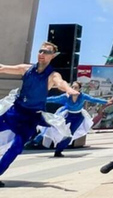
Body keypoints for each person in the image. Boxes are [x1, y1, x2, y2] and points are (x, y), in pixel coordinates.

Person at [0, 42, 81, 187]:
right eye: (40, 51)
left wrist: (68, 89)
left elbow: (60, 82)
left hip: (31, 118)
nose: (42, 54)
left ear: (53, 56)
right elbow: (4, 68)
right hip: (15, 111)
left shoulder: (52, 75)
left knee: (17, 147)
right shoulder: (26, 69)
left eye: (46, 52)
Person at [38, 81, 113, 157]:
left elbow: (93, 99)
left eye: (76, 87)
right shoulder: (66, 96)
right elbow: (53, 99)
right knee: (55, 127)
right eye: (73, 87)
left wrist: (106, 101)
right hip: (67, 115)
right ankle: (37, 139)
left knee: (70, 135)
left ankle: (59, 150)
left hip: (78, 117)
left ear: (79, 89)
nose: (74, 88)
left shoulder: (83, 96)